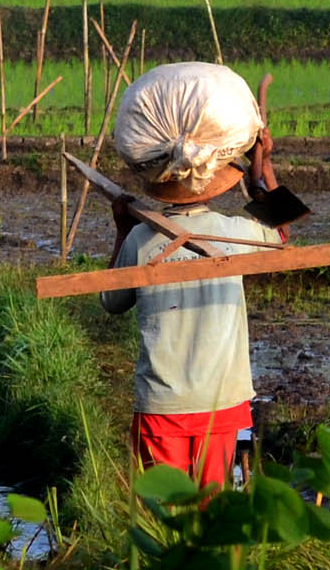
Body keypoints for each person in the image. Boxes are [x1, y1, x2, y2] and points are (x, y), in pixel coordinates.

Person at [100, 124, 289, 490]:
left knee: (165, 517)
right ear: (212, 184)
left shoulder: (141, 238)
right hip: (219, 400)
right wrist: (262, 166)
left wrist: (122, 229)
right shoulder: (233, 231)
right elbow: (280, 233)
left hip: (161, 402)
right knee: (210, 509)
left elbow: (112, 301)